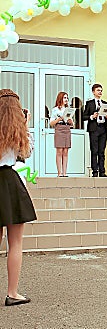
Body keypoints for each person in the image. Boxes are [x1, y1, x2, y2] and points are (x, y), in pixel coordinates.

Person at [0, 89, 37, 306]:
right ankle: (12, 293)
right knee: (15, 243)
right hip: (9, 182)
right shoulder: (17, 130)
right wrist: (25, 125)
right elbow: (27, 153)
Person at [83, 84, 107, 177]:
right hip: (94, 129)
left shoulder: (105, 103)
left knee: (102, 151)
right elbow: (83, 116)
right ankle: (95, 171)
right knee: (94, 150)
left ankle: (102, 172)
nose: (100, 92)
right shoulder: (89, 103)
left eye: (101, 90)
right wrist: (92, 116)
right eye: (98, 90)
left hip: (103, 129)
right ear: (93, 92)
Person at [50, 92, 74, 177]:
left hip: (67, 128)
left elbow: (72, 124)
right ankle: (59, 173)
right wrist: (58, 119)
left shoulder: (68, 109)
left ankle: (65, 172)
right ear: (60, 99)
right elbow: (51, 123)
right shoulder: (55, 110)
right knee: (59, 150)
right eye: (64, 98)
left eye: (67, 98)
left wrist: (71, 121)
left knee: (66, 151)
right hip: (59, 128)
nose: (66, 99)